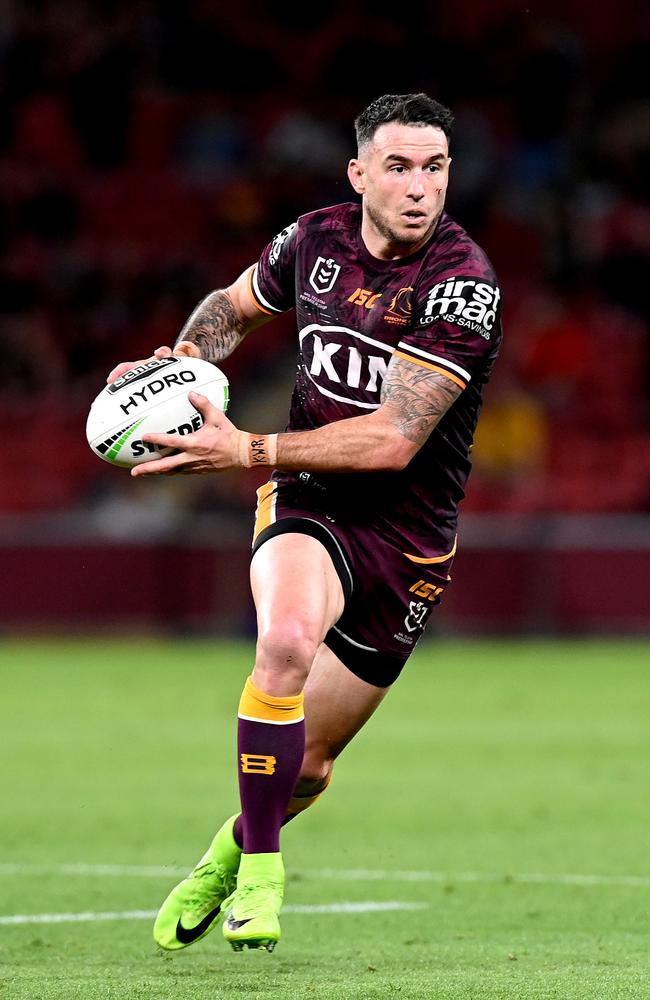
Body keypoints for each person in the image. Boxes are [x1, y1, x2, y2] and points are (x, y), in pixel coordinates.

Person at [107, 92, 503, 953]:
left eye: (434, 167)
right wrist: (179, 367)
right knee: (283, 642)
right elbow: (232, 306)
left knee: (311, 764)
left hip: (407, 537)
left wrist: (244, 447)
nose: (418, 186)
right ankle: (262, 878)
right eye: (397, 166)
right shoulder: (313, 240)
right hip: (307, 498)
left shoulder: (464, 285)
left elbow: (397, 439)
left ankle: (227, 850)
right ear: (358, 173)